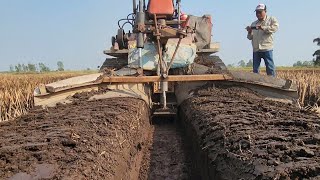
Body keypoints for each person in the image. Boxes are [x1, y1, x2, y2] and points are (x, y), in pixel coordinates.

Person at [246, 4, 279, 77]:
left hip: (266, 48)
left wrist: (263, 28)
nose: (258, 14)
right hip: (256, 49)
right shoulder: (254, 23)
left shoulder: (271, 19)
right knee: (255, 70)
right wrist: (249, 31)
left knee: (270, 68)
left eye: (260, 12)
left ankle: (272, 83)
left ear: (265, 11)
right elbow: (250, 37)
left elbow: (275, 28)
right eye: (257, 12)